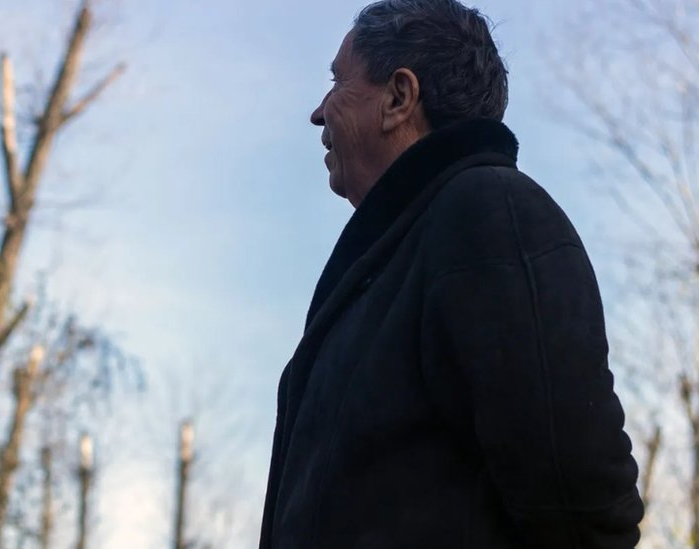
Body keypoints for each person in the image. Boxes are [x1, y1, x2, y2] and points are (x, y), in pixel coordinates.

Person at [259, 1, 644, 547]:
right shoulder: (396, 256)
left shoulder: (491, 214)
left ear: (399, 97)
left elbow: (584, 508)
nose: (318, 114)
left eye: (337, 82)